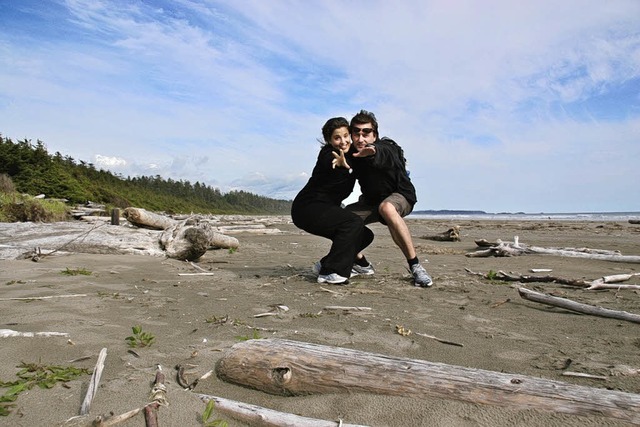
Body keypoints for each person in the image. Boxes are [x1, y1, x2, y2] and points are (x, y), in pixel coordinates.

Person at [347, 110, 433, 287]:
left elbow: (385, 152)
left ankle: (415, 266)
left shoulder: (388, 147)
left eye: (366, 132)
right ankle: (361, 263)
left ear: (375, 135)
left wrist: (373, 151)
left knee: (386, 208)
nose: (361, 138)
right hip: (370, 201)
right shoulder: (352, 155)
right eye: (356, 133)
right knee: (340, 219)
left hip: (401, 195)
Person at [291, 117, 374, 285]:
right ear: (329, 140)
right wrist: (345, 166)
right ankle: (331, 272)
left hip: (324, 208)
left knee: (365, 235)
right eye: (337, 138)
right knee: (352, 223)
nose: (343, 142)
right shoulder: (329, 154)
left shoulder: (353, 154)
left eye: (346, 136)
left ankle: (324, 265)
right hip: (307, 208)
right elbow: (330, 161)